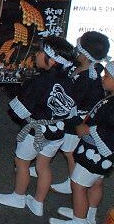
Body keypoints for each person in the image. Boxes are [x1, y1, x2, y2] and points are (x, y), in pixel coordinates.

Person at [0, 36, 78, 218]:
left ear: (52, 60)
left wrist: (15, 90)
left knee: (21, 163)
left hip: (36, 131)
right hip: (57, 131)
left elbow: (18, 111)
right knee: (43, 165)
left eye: (40, 52)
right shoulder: (70, 81)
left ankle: (19, 197)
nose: (36, 55)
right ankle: (38, 202)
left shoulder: (40, 81)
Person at [49, 58, 114, 224]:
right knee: (96, 183)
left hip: (96, 153)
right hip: (103, 158)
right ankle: (88, 215)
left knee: (78, 185)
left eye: (108, 76)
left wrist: (87, 129)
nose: (103, 78)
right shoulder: (109, 98)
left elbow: (106, 129)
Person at [42, 31, 110, 194]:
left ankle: (72, 181)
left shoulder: (89, 79)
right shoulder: (78, 68)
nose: (75, 53)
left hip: (76, 120)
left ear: (85, 56)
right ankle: (41, 162)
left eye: (78, 50)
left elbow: (74, 101)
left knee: (69, 152)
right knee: (57, 141)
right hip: (69, 115)